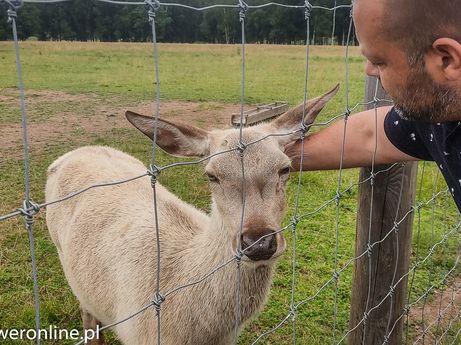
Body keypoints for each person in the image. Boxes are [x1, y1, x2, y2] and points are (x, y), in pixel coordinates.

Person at [286, 0, 461, 211]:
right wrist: (270, 158)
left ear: (447, 60)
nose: (369, 71)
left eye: (379, 62)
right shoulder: (440, 120)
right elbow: (369, 135)